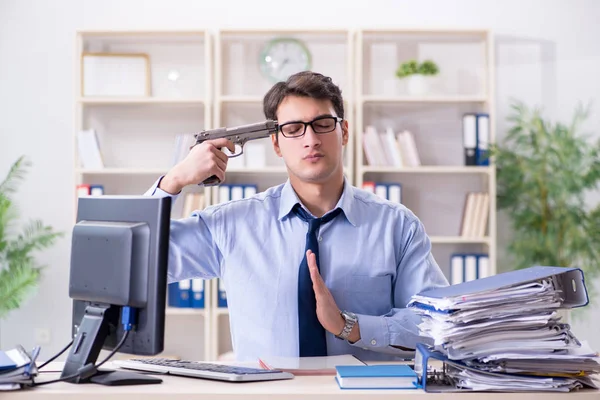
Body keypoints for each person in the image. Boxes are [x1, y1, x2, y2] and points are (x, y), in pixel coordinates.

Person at [145, 71, 448, 362]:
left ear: (343, 132)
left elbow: (436, 326)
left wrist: (349, 326)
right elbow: (139, 261)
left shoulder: (397, 226)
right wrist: (173, 181)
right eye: (293, 129)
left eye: (323, 124)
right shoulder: (230, 225)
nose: (311, 139)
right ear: (276, 143)